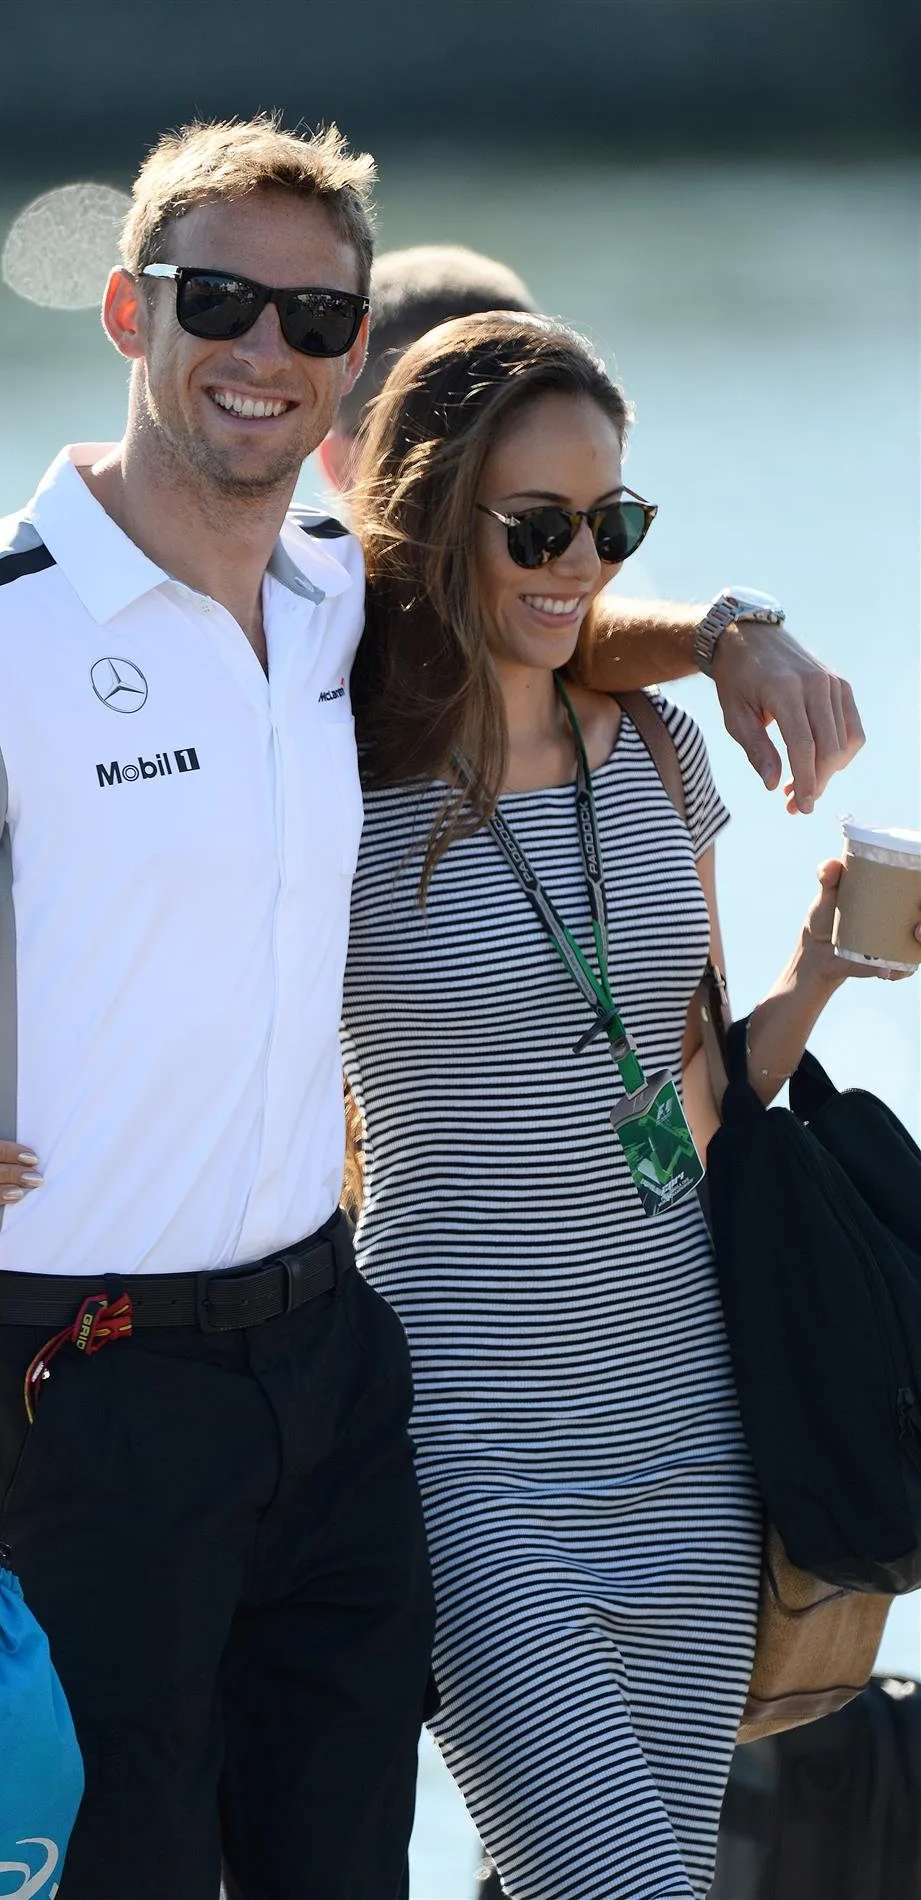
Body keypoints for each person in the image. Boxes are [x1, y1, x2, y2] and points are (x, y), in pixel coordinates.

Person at [0, 119, 862, 1898]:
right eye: (220, 299)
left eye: (314, 318)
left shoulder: (320, 611)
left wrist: (736, 631)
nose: (267, 349)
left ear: (353, 356)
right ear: (130, 314)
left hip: (386, 1377)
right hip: (125, 1378)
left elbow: (550, 621)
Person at [338, 309, 908, 1900]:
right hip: (472, 1444)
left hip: (688, 1419)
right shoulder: (327, 789)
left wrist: (814, 978)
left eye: (613, 524)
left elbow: (699, 1095)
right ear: (439, 515)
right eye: (537, 526)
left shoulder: (655, 752)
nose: (577, 564)